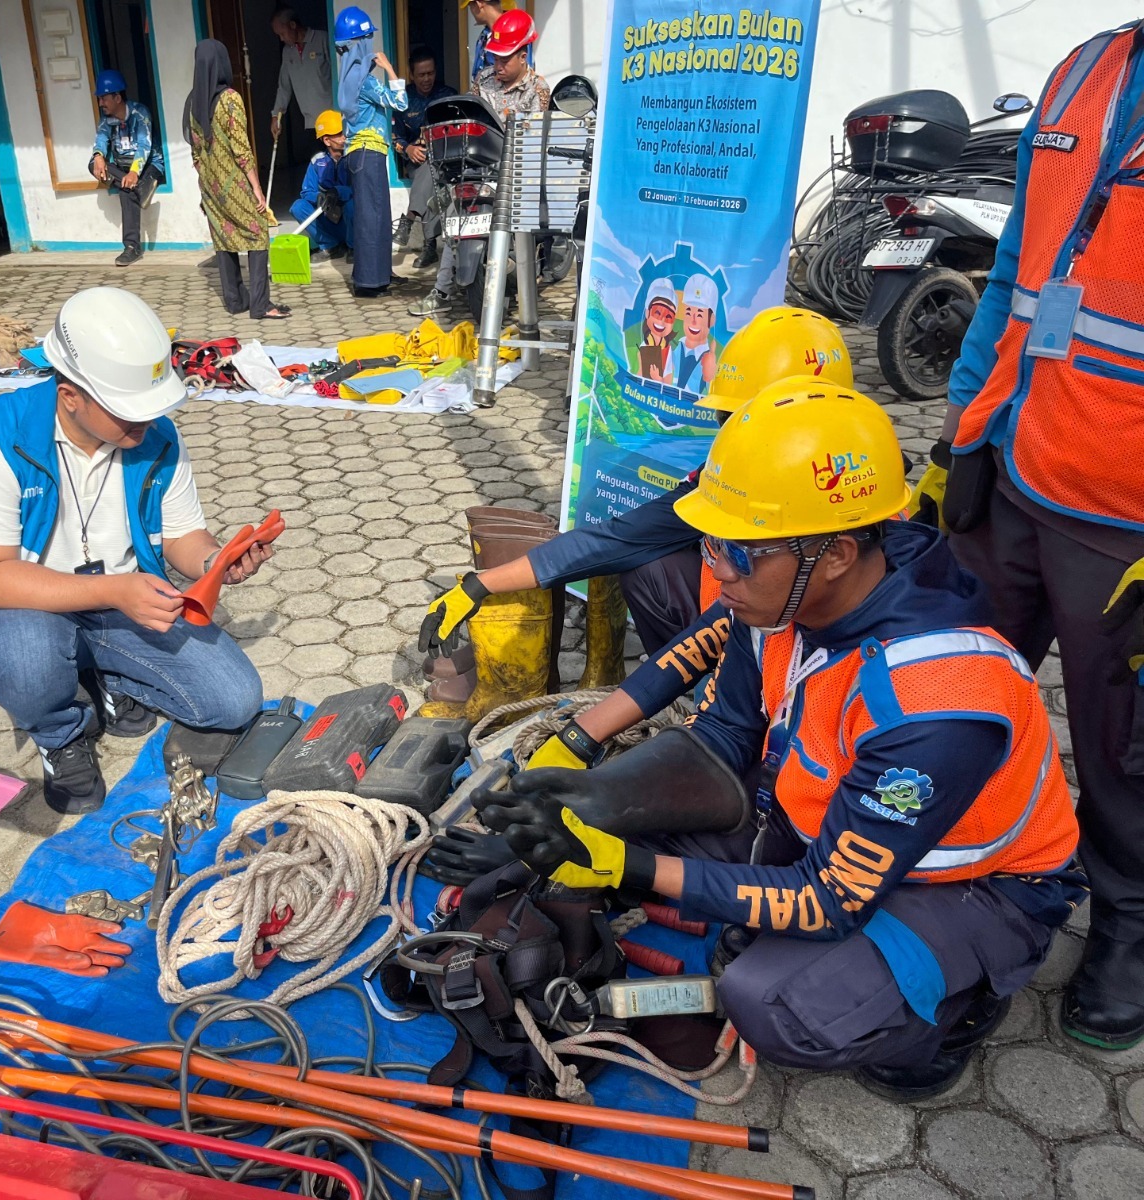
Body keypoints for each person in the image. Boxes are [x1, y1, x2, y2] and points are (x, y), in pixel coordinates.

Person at [476, 383, 1086, 1101]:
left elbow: (828, 900)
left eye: (738, 551)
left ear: (834, 553)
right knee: (589, 844)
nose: (717, 571)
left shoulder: (932, 702)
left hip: (976, 888)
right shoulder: (780, 601)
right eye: (710, 543)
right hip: (826, 828)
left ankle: (958, 1008)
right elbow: (723, 737)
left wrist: (631, 867)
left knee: (770, 1000)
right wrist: (592, 796)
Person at [937, 18, 1144, 1051]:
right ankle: (964, 886)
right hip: (1015, 461)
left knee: (1122, 749)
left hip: (1127, 519)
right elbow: (1022, 255)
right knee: (964, 695)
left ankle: (1128, 924)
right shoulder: (1084, 68)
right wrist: (964, 417)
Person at [419, 309, 854, 756]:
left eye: (741, 418)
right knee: (649, 570)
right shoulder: (735, 493)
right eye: (728, 418)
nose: (723, 568)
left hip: (807, 709)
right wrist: (480, 584)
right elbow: (619, 542)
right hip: (742, 640)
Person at [0, 287, 268, 816]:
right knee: (27, 657)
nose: (143, 424)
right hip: (31, 610)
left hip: (125, 599)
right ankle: (60, 734)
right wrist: (112, 590)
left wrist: (214, 560)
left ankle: (106, 677)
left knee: (233, 700)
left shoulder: (156, 436)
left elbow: (184, 536)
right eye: (127, 411)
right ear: (70, 393)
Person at [411, 10, 546, 318]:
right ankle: (441, 289)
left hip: (517, 173)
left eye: (504, 59)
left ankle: (526, 271)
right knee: (455, 217)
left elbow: (536, 140)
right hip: (476, 169)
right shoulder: (483, 80)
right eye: (494, 58)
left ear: (523, 56)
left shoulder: (538, 89)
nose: (496, 65)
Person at [185, 41, 288, 320]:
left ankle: (234, 301)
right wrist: (256, 189)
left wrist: (208, 181)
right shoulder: (230, 99)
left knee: (224, 238)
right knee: (258, 234)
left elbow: (195, 152)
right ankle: (260, 304)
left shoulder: (193, 101)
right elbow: (241, 149)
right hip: (234, 184)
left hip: (210, 187)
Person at [334, 6, 406, 298]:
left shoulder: (349, 77)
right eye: (367, 40)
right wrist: (389, 68)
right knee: (373, 218)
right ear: (360, 43)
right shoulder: (365, 80)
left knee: (373, 216)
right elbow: (399, 102)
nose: (371, 47)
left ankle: (379, 276)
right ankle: (368, 283)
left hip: (360, 154)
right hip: (369, 154)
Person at [89, 70, 166, 268]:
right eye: (99, 99)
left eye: (104, 98)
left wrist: (134, 173)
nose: (101, 103)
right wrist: (98, 156)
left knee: (125, 188)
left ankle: (131, 248)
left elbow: (144, 145)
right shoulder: (106, 120)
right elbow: (101, 138)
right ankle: (141, 188)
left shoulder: (140, 113)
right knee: (93, 164)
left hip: (149, 164)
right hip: (123, 167)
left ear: (117, 97)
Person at [390, 46, 456, 258]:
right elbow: (394, 137)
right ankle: (429, 244)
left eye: (431, 73)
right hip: (416, 161)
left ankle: (411, 222)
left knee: (431, 171)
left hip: (445, 158)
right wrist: (408, 149)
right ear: (412, 75)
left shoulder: (448, 96)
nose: (427, 79)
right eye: (421, 75)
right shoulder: (403, 100)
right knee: (429, 174)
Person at [290, 110, 351, 258]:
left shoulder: (353, 158)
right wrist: (319, 197)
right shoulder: (317, 161)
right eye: (338, 134)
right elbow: (306, 192)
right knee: (298, 207)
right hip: (328, 219)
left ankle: (353, 247)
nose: (344, 137)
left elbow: (360, 190)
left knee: (353, 205)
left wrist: (338, 192)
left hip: (349, 223)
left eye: (344, 133)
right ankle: (331, 247)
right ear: (326, 140)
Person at [270, 8, 333, 140]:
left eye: (282, 33)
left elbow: (338, 74)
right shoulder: (288, 52)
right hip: (311, 123)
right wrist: (276, 115)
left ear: (293, 25)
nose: (281, 39)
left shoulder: (322, 39)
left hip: (333, 120)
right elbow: (284, 87)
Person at [625, 278, 679, 383]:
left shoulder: (668, 351)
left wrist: (658, 379)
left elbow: (668, 382)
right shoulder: (644, 346)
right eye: (657, 313)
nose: (662, 320)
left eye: (668, 316)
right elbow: (639, 374)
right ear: (647, 313)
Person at [673, 273, 721, 391]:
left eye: (700, 315)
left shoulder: (710, 360)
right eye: (689, 313)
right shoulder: (675, 349)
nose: (693, 321)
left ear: (711, 320)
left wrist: (711, 377)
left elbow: (714, 398)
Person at [464, 0, 532, 82]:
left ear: (478, 4)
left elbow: (524, 77)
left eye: (470, 6)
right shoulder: (484, 36)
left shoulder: (514, 33)